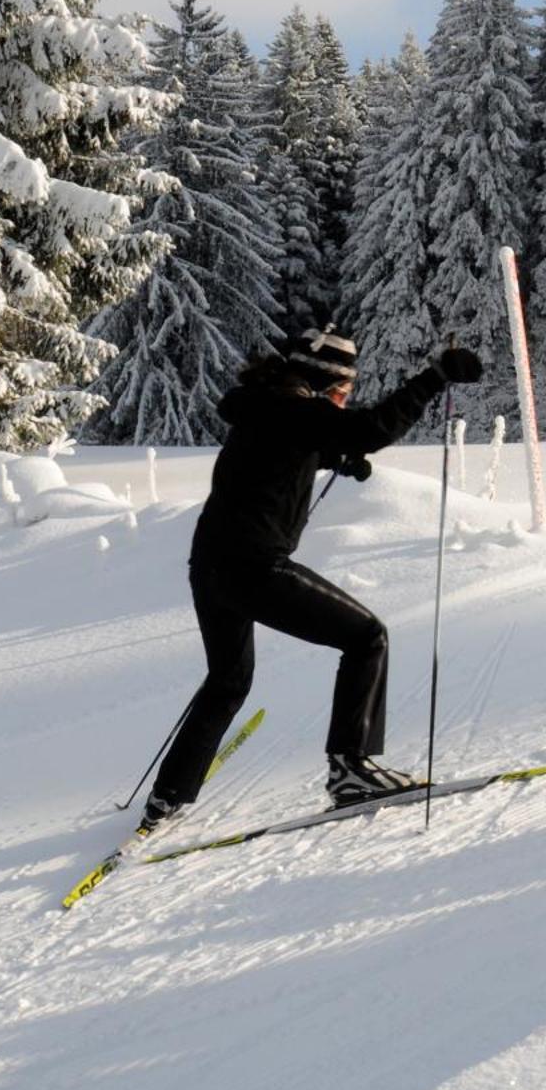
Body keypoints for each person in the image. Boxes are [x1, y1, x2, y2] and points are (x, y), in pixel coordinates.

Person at [143, 325, 482, 826]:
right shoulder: (293, 410)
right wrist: (432, 378)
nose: (344, 402)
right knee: (367, 638)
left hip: (210, 566)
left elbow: (287, 445)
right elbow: (369, 430)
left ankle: (168, 795)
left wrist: (330, 457)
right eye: (344, 391)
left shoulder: (267, 406)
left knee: (228, 680)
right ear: (325, 383)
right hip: (254, 567)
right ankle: (351, 771)